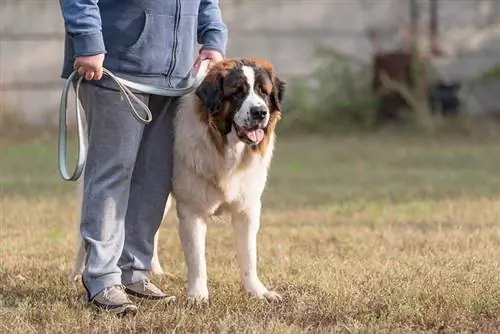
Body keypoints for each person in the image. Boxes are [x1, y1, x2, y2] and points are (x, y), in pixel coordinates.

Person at [58, 0, 227, 315]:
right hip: (113, 68)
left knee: (155, 174)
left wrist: (213, 37)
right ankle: (102, 279)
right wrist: (89, 41)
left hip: (174, 79)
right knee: (113, 172)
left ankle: (133, 269)